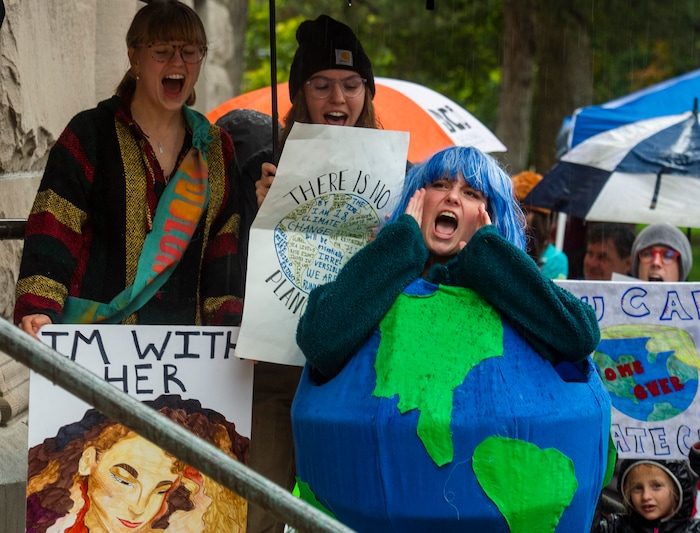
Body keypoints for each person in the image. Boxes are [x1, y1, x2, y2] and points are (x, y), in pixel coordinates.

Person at [14, 0, 244, 336]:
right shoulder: (89, 134)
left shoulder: (216, 149)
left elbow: (224, 251)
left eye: (191, 51)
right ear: (134, 57)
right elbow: (54, 225)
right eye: (162, 51)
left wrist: (231, 328)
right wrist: (39, 307)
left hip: (186, 360)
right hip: (96, 348)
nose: (178, 62)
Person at [296, 146, 600, 381]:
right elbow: (320, 342)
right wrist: (398, 247)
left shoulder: (509, 280)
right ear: (418, 198)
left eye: (470, 193)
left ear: (491, 218)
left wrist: (492, 260)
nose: (452, 197)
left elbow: (580, 334)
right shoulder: (379, 264)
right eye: (441, 185)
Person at [244, 14, 381, 533]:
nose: (337, 99)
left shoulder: (397, 170)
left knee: (342, 516)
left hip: (353, 375)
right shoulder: (261, 164)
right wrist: (259, 212)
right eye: (321, 85)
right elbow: (229, 264)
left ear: (368, 93)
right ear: (299, 94)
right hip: (276, 370)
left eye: (351, 85)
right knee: (259, 513)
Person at [26, 395, 249, 533]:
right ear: (88, 460)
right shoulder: (46, 519)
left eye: (162, 489)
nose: (139, 508)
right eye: (123, 479)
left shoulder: (180, 522)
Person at [592, 458, 700, 532]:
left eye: (656, 486)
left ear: (677, 491)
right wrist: (597, 467)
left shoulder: (693, 529)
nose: (646, 496)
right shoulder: (616, 528)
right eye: (637, 488)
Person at [511, 170, 568, 280]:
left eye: (523, 211)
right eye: (513, 210)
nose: (516, 218)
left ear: (540, 218)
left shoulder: (555, 260)